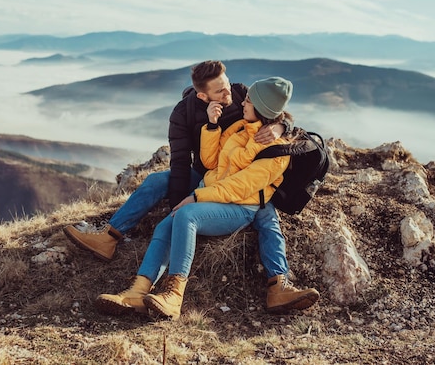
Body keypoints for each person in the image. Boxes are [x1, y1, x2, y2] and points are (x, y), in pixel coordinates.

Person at [63, 61, 317, 312]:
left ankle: (179, 293)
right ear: (203, 95)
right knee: (168, 214)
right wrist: (212, 126)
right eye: (220, 91)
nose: (236, 98)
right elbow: (196, 162)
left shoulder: (261, 123)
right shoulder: (200, 117)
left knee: (262, 218)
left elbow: (246, 180)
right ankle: (136, 292)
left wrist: (281, 125)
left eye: (231, 89)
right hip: (212, 183)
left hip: (239, 198)